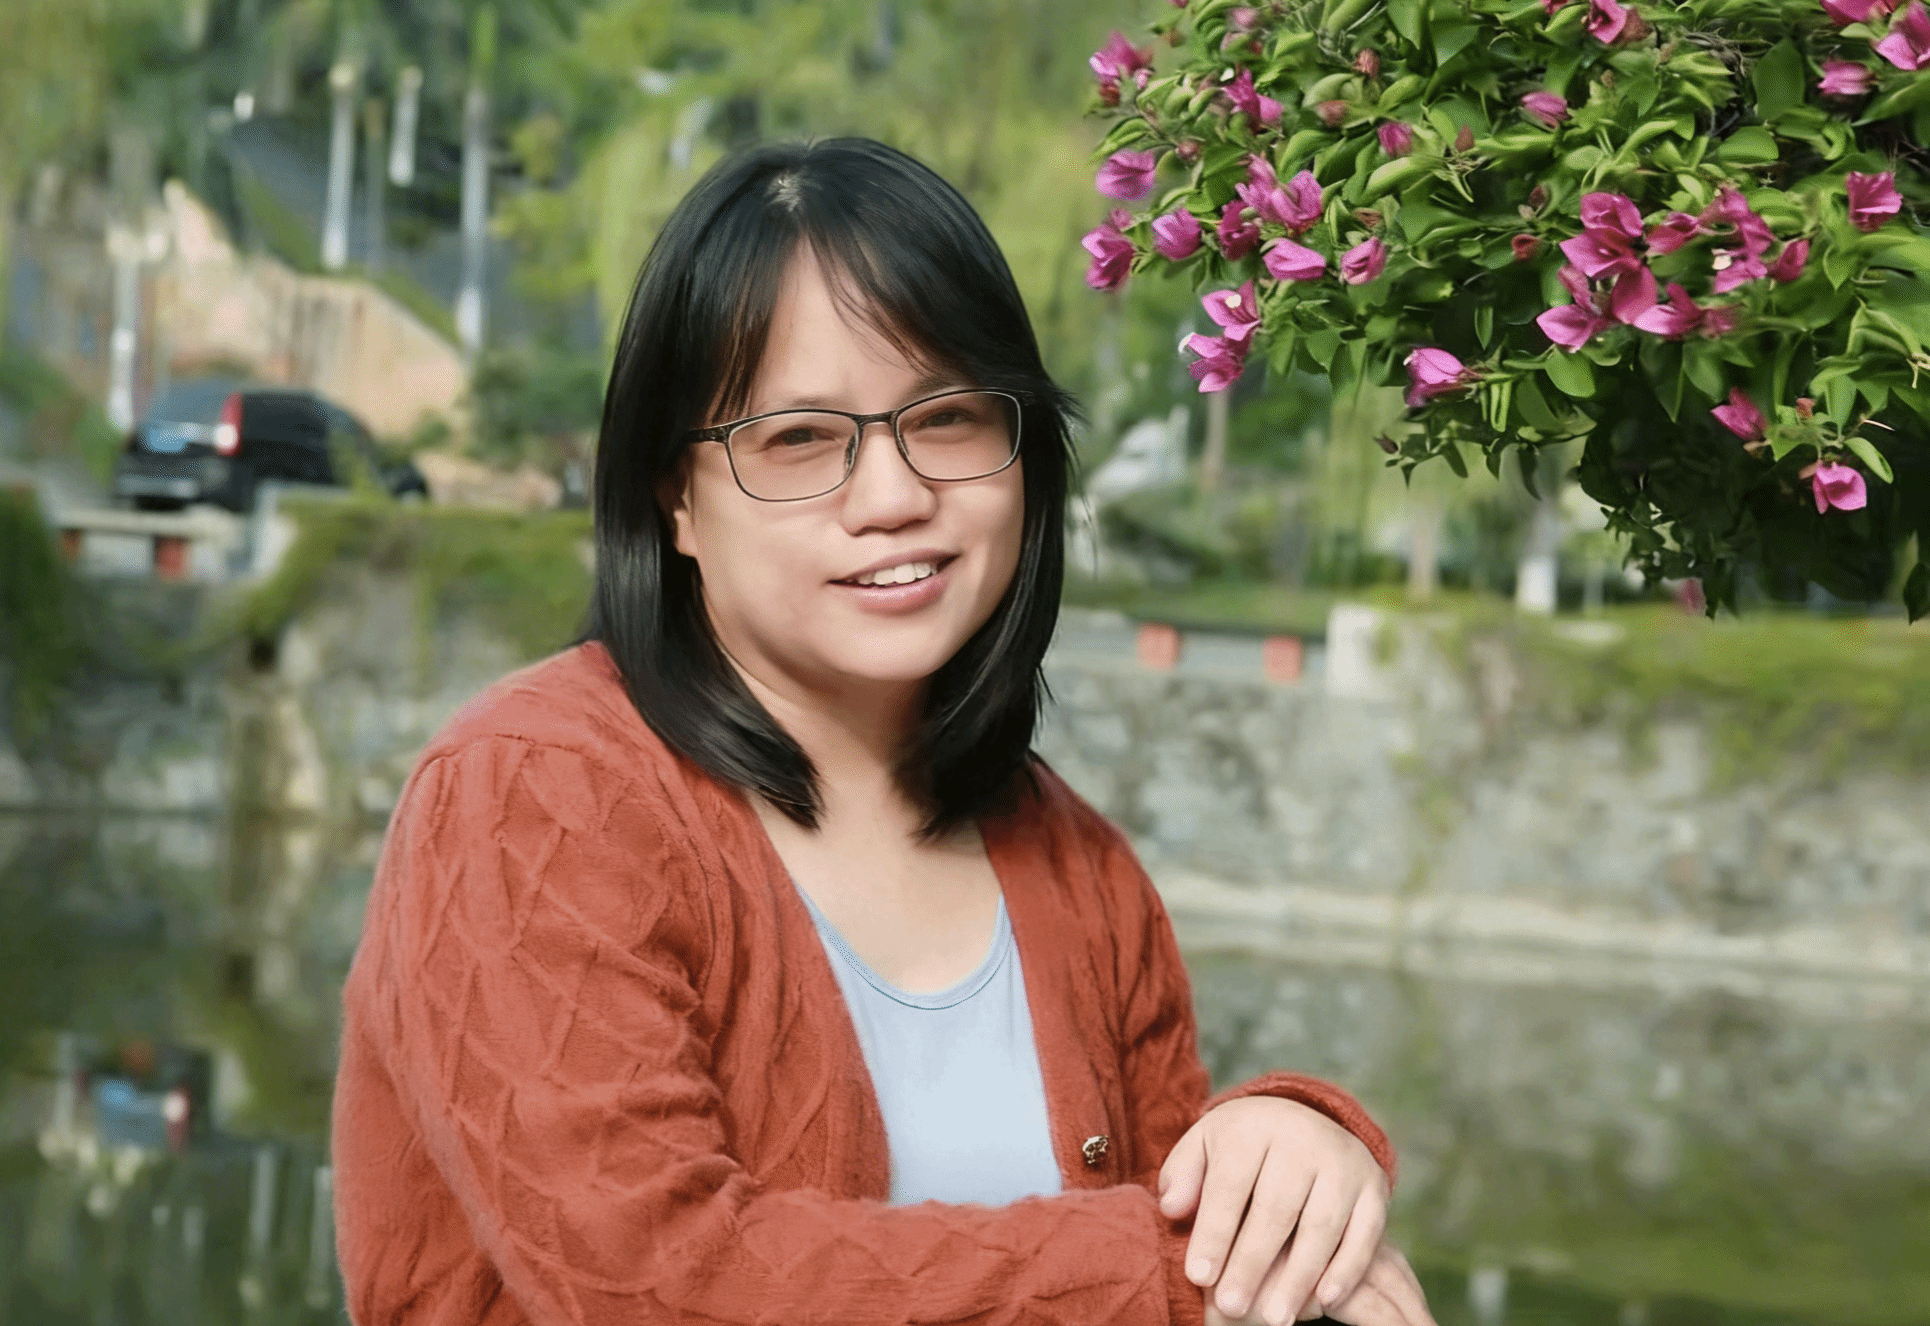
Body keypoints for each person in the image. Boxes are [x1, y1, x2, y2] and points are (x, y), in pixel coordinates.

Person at [330, 137, 1435, 1326]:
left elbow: (1199, 1241)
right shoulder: (531, 797)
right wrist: (1168, 1274)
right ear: (675, 495)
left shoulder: (1083, 872)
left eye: (948, 417)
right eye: (800, 438)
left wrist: (1290, 1149)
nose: (895, 496)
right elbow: (658, 1283)